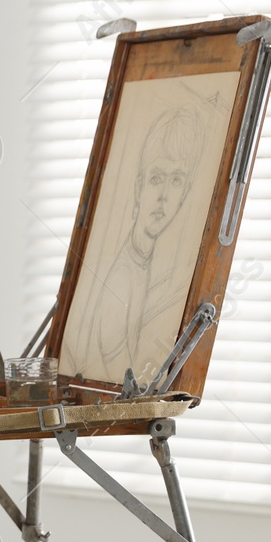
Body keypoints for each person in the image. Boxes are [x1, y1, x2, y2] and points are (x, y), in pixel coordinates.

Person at [81, 103, 202, 380]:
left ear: (184, 194)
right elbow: (128, 400)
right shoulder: (120, 283)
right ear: (139, 188)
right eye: (156, 178)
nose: (163, 197)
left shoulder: (155, 269)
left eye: (176, 181)